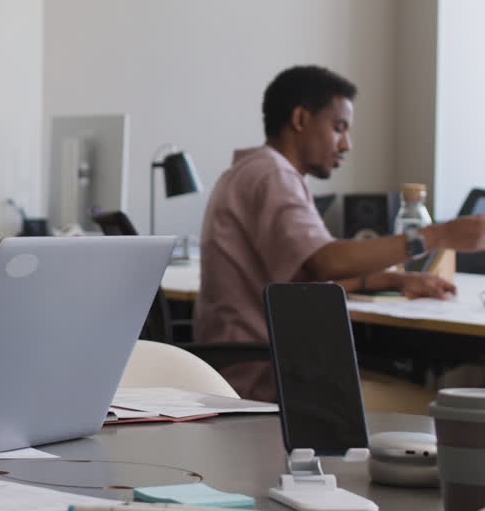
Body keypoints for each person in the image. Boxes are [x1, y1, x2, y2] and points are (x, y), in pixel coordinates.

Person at [195, 65, 485, 400]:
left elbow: (297, 279)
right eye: (338, 128)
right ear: (301, 119)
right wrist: (436, 236)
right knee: (443, 398)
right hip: (267, 377)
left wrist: (392, 280)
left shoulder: (248, 171)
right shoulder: (273, 175)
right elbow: (325, 261)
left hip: (241, 368)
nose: (346, 145)